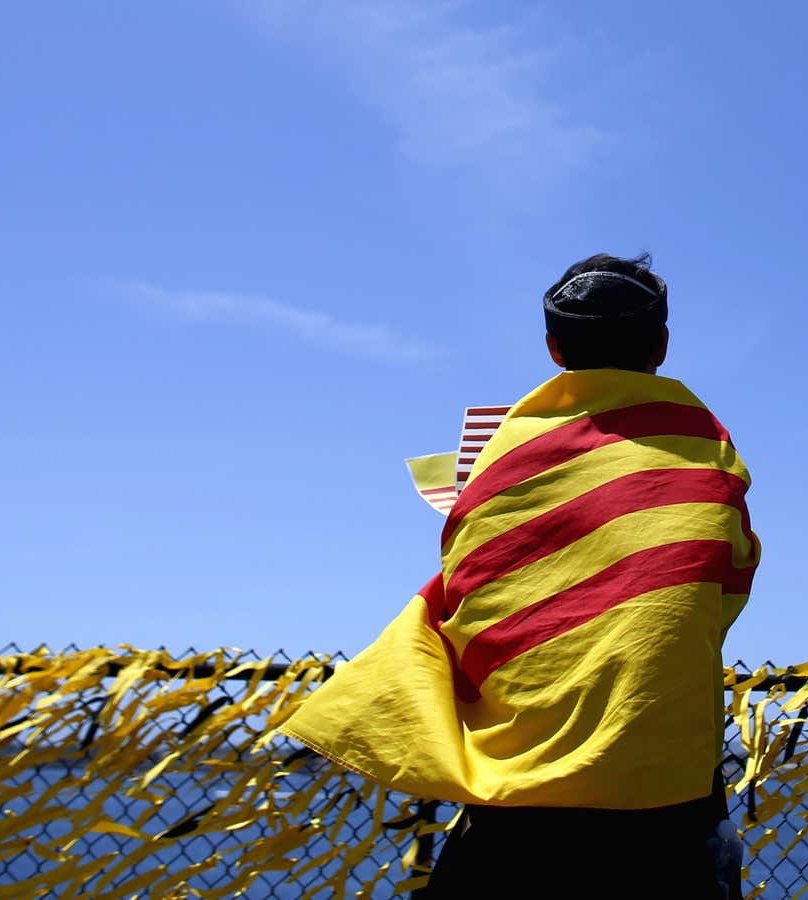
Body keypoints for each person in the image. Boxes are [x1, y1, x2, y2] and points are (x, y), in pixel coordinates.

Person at [279, 252, 759, 899]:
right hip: (664, 795)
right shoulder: (702, 452)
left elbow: (471, 592)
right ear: (663, 345)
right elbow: (725, 580)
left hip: (513, 801)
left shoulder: (501, 464)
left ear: (554, 347)